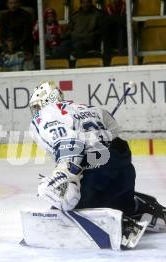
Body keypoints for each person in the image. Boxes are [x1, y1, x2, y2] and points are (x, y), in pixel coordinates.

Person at [28, 81, 166, 249]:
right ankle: (138, 209)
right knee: (118, 200)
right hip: (123, 170)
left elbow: (67, 141)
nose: (36, 112)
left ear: (46, 100)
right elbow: (114, 131)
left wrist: (65, 173)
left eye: (36, 106)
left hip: (98, 178)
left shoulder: (46, 114)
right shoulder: (87, 107)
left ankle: (120, 225)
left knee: (60, 196)